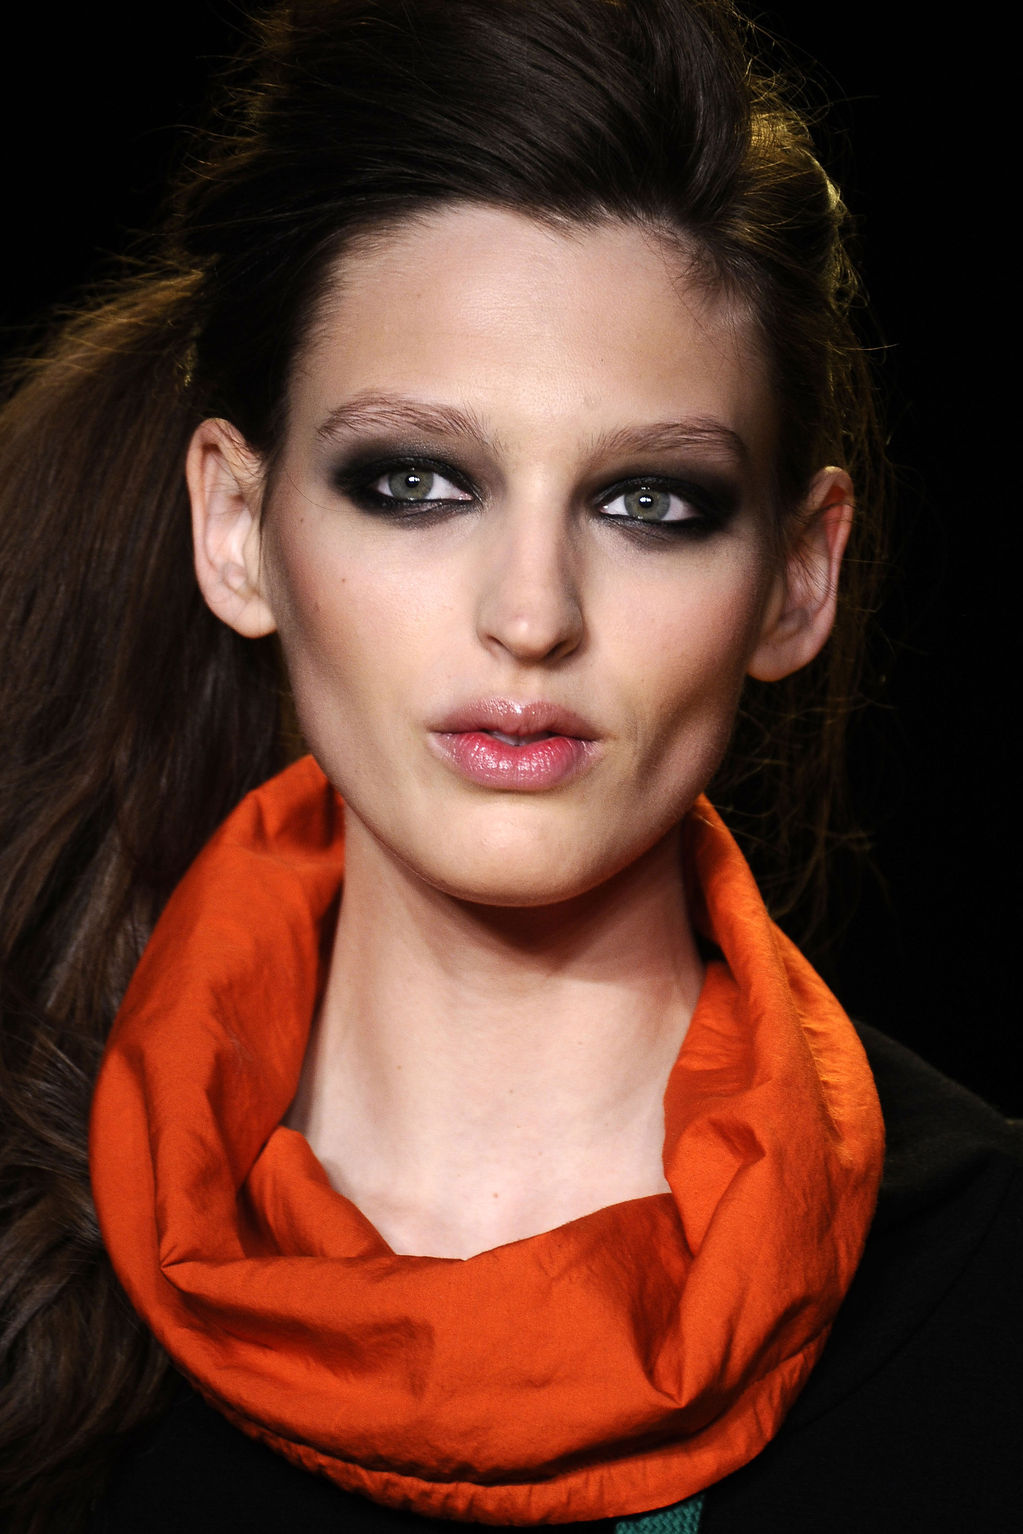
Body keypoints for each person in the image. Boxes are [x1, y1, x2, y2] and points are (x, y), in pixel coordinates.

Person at [0, 2, 1018, 1531]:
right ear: (237, 529)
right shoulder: (32, 1278)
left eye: (650, 501)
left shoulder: (987, 1292)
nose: (531, 614)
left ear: (798, 576)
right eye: (416, 482)